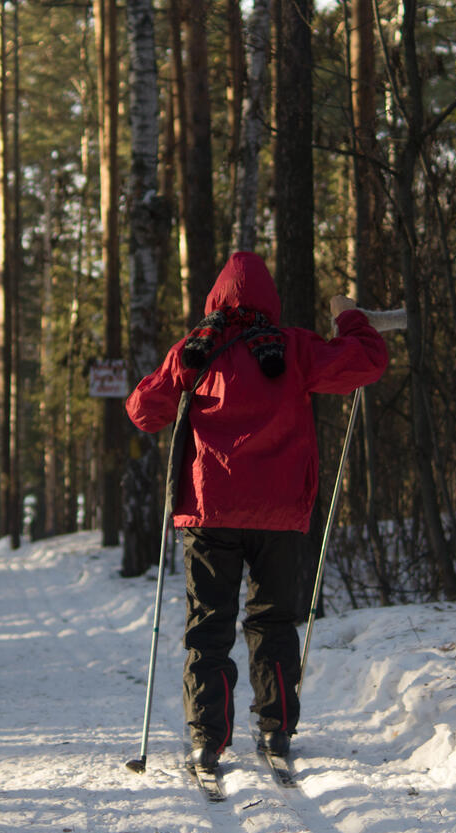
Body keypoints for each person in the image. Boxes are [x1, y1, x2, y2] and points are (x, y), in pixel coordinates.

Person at [125, 251, 388, 770]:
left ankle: (207, 738)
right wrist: (350, 318)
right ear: (270, 300)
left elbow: (142, 411)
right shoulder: (293, 347)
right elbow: (366, 362)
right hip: (280, 510)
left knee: (209, 625)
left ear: (216, 298)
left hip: (209, 509)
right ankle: (275, 731)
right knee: (273, 621)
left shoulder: (196, 350)